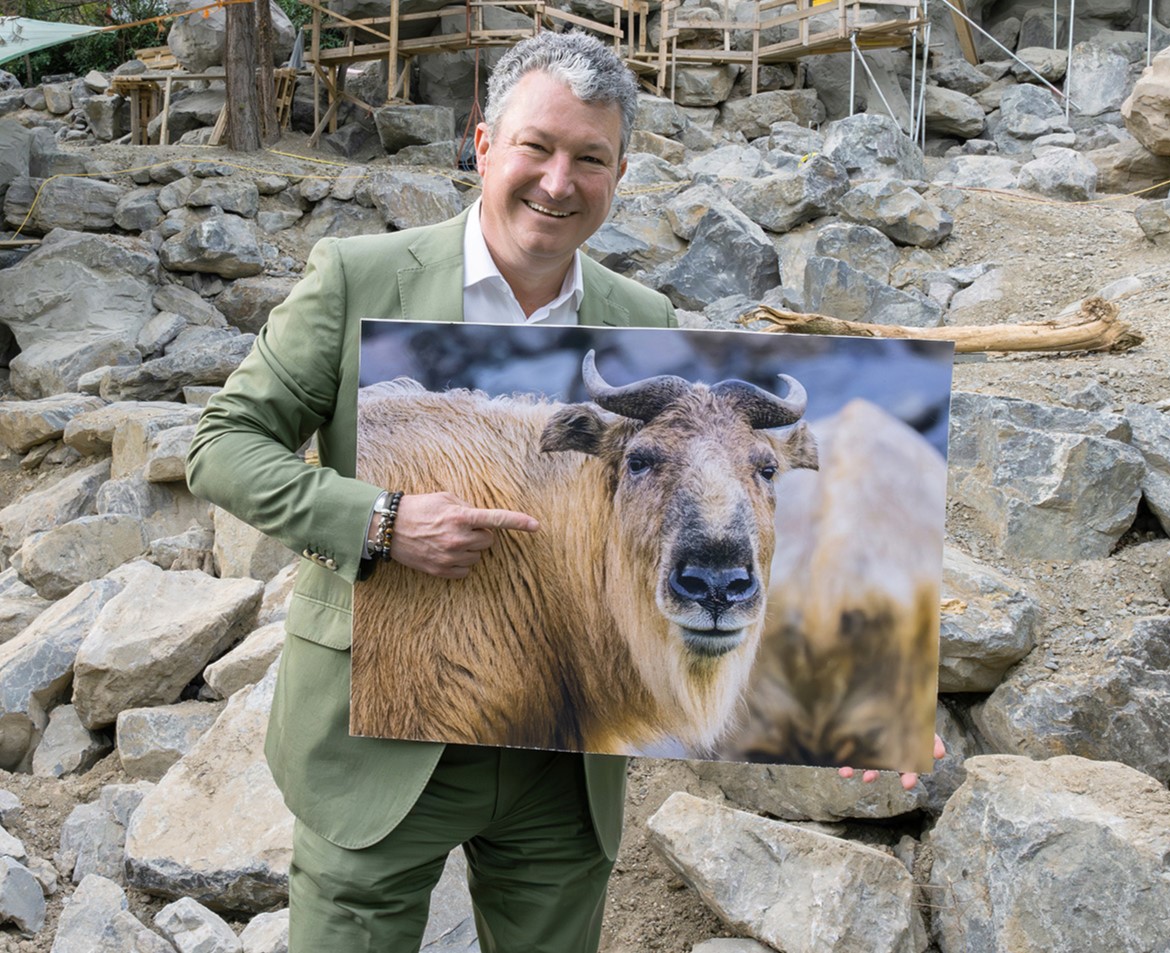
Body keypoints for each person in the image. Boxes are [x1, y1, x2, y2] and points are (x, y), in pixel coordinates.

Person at [188, 29, 935, 953]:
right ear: (483, 143)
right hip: (381, 739)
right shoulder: (357, 277)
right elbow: (219, 443)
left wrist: (883, 712)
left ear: (619, 173)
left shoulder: (643, 321)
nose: (557, 181)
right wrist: (377, 519)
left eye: (589, 157)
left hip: (564, 754)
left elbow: (676, 510)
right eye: (537, 147)